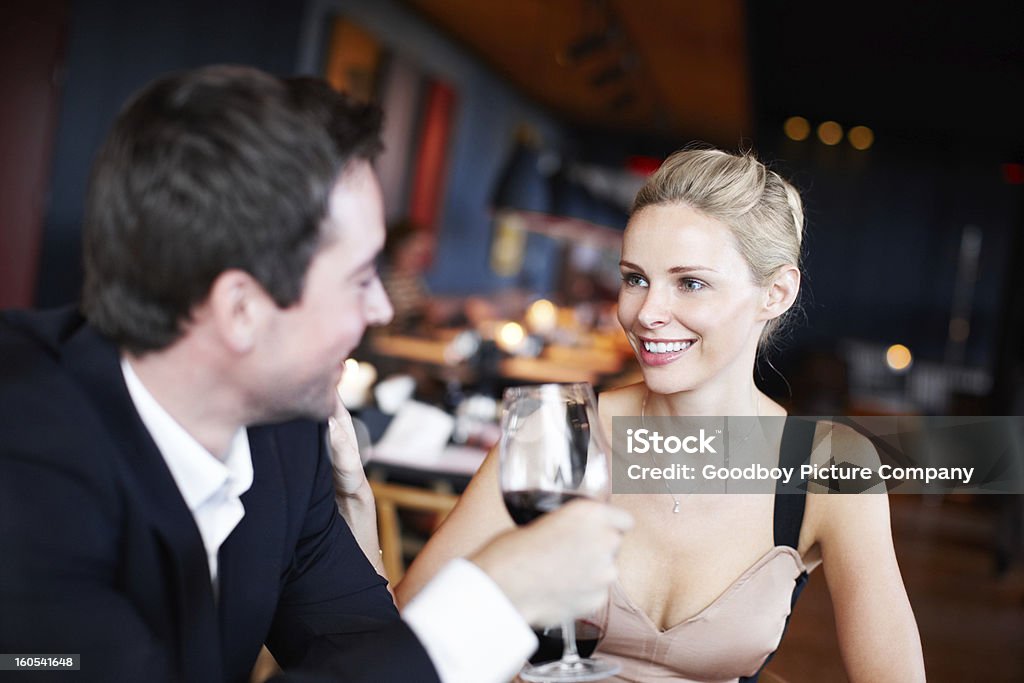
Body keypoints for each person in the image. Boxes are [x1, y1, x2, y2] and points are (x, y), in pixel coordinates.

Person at [0, 66, 632, 683]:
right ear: (241, 309)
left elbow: (355, 640)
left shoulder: (283, 434)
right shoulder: (24, 459)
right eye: (361, 280)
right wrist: (498, 598)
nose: (383, 309)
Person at [397, 148, 927, 682]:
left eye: (690, 283)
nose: (647, 313)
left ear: (775, 292)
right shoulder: (560, 432)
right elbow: (408, 642)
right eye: (634, 278)